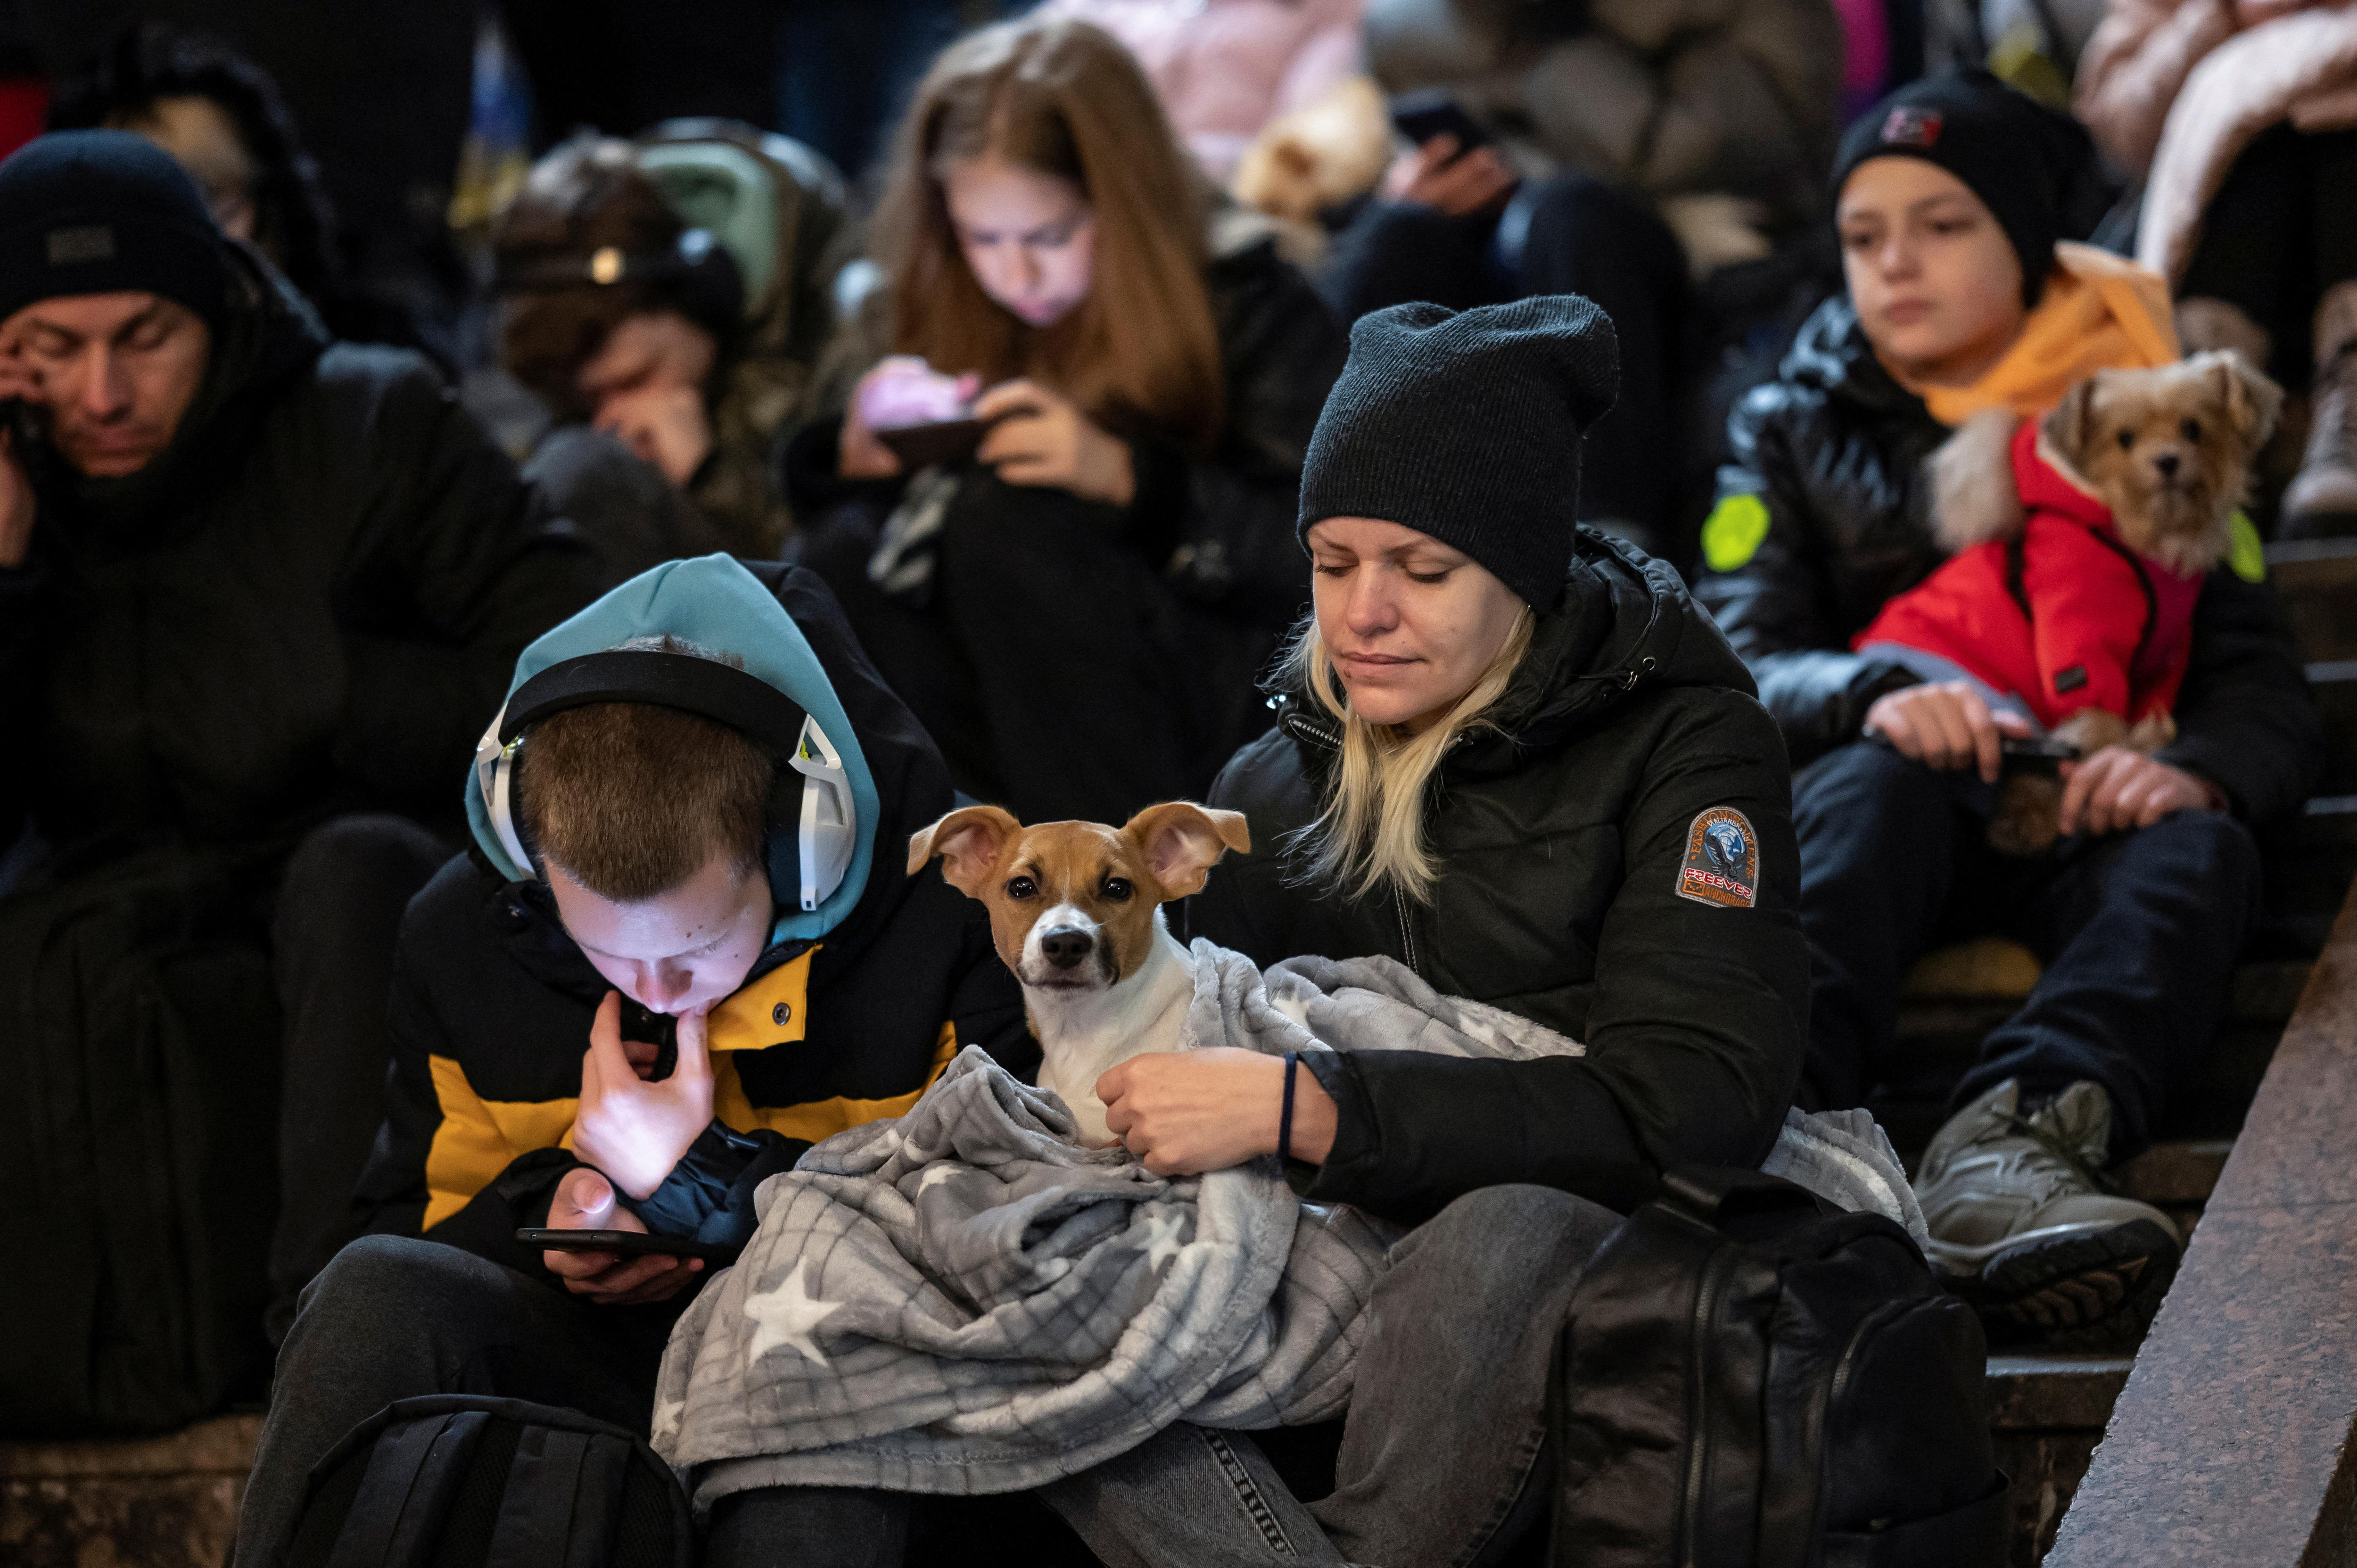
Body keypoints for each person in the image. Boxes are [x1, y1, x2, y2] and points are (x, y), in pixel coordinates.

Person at [695, 296, 1812, 1568]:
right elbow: (1147, 1023)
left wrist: (1311, 1105)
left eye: (1423, 569)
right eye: (1333, 563)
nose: (1364, 613)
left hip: (1564, 1228)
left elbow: (1696, 1107)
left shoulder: (1688, 747)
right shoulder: (1271, 784)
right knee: (1055, 1306)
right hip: (1296, 1258)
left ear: (1527, 568)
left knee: (1503, 1227)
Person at [229, 553, 1037, 1565]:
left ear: (803, 852)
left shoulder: (960, 913)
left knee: (820, 1469)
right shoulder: (467, 935)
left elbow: (1003, 1242)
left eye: (695, 947)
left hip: (849, 1374)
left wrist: (701, 1188)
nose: (654, 987)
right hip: (598, 1355)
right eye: (609, 948)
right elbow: (415, 1218)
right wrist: (555, 1210)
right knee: (371, 1292)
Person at [1696, 71, 2324, 1345]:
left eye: (1942, 224)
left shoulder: (2165, 413)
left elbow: (2256, 670)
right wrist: (1878, 690)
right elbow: (1734, 658)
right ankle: (1763, 1138)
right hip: (1897, 791)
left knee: (2203, 851)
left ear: (2027, 237)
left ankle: (2019, 1141)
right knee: (1875, 789)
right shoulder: (1788, 422)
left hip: (2087, 793)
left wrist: (2195, 767)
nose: (1896, 264)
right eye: (1865, 237)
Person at [0, 130, 596, 1424]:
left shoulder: (374, 422)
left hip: (367, 914)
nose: (101, 392)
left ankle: (332, 1359)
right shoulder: (17, 489)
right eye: (47, 348)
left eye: (142, 336)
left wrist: (335, 691)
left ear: (220, 302)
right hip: (125, 967)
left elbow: (588, 690)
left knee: (354, 874)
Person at [788, 15, 1349, 825]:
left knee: (1006, 521)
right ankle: (952, 874)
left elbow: (1325, 565)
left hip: (1214, 686)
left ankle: (1111, 886)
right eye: (983, 237)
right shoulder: (923, 293)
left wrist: (1130, 480)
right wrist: (856, 463)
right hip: (1011, 688)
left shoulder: (1248, 299)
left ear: (1122, 203)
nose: (1013, 272)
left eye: (1050, 234)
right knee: (835, 555)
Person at [1311, 0, 1847, 567]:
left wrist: (1556, 45)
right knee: (1398, 237)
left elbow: (1700, 151)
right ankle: (1382, 540)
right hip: (1499, 252)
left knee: (1574, 220)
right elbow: (1357, 168)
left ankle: (1606, 557)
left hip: (1699, 248)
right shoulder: (1403, 30)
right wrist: (1414, 190)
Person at [492, 122, 854, 568]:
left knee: (586, 469)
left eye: (635, 380)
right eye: (588, 401)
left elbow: (835, 578)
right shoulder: (554, 368)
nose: (612, 418)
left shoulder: (836, 329)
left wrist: (710, 476)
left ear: (706, 295)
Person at [2077, 0, 2357, 534]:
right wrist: (2220, 17)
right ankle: (2203, 404)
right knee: (2248, 109)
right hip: (2223, 231)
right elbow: (2117, 126)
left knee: (2334, 112)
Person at [48, 20, 433, 360]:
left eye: (210, 200)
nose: (185, 244)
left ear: (271, 211)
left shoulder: (372, 379)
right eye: (138, 210)